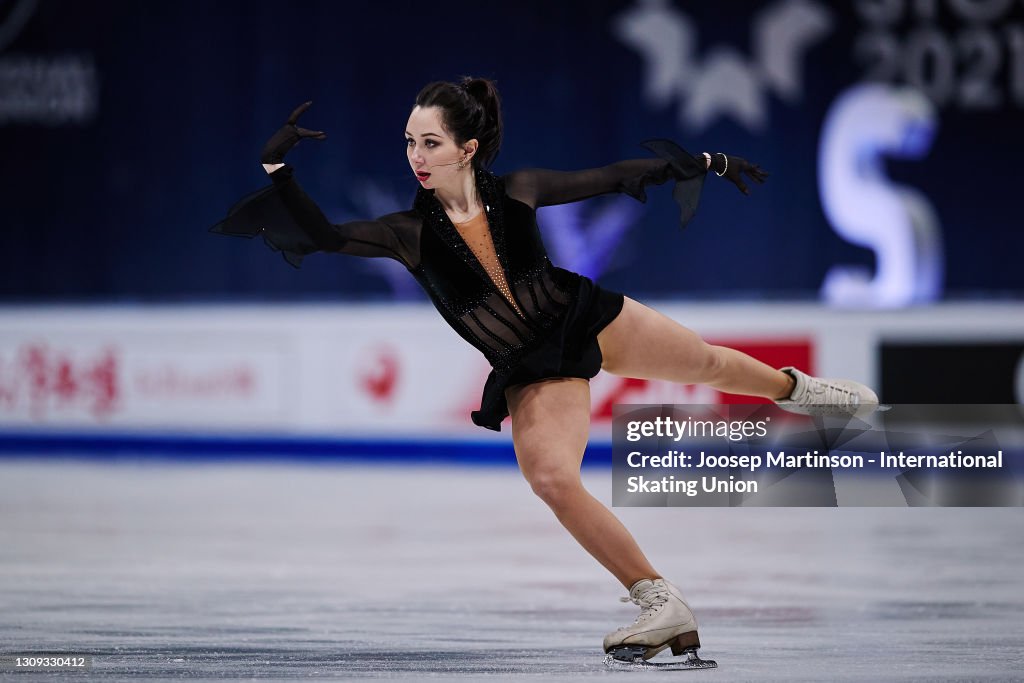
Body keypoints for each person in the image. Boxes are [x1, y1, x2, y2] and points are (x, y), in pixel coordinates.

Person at [212, 77, 879, 666]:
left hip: (585, 315)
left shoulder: (520, 192)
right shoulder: (404, 233)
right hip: (531, 364)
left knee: (704, 360)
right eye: (411, 142)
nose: (417, 157)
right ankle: (661, 598)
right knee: (553, 477)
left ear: (468, 149)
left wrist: (706, 159)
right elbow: (325, 237)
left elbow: (614, 176)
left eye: (432, 143)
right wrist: (277, 166)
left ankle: (807, 392)